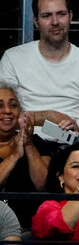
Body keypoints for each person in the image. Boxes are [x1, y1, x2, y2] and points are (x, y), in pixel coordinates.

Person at [0, 0, 79, 131]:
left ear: (70, 17)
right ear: (36, 21)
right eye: (46, 16)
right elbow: (5, 117)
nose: (55, 22)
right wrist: (49, 116)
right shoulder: (12, 58)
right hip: (23, 142)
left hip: (73, 144)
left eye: (61, 14)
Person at [0, 84, 53, 227]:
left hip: (29, 228)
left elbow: (43, 184)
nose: (7, 111)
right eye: (0, 106)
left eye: (13, 106)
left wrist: (28, 144)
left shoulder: (36, 142)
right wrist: (15, 155)